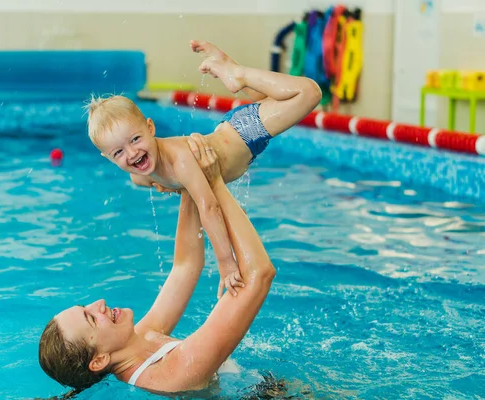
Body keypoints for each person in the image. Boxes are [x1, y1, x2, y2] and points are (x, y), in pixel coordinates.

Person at [39, 134, 277, 394]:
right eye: (91, 319)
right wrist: (214, 181)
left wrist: (189, 179)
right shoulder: (172, 373)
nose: (99, 305)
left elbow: (185, 266)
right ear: (99, 360)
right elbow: (259, 275)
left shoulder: (142, 337)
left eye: (86, 306)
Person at [86, 40, 320, 297]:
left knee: (308, 93)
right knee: (272, 97)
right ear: (108, 158)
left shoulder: (180, 160)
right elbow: (163, 184)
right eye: (118, 152)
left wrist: (226, 263)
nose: (132, 153)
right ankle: (234, 72)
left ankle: (236, 72)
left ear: (151, 129)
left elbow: (209, 207)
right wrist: (171, 187)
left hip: (242, 133)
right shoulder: (139, 178)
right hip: (235, 136)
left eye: (136, 140)